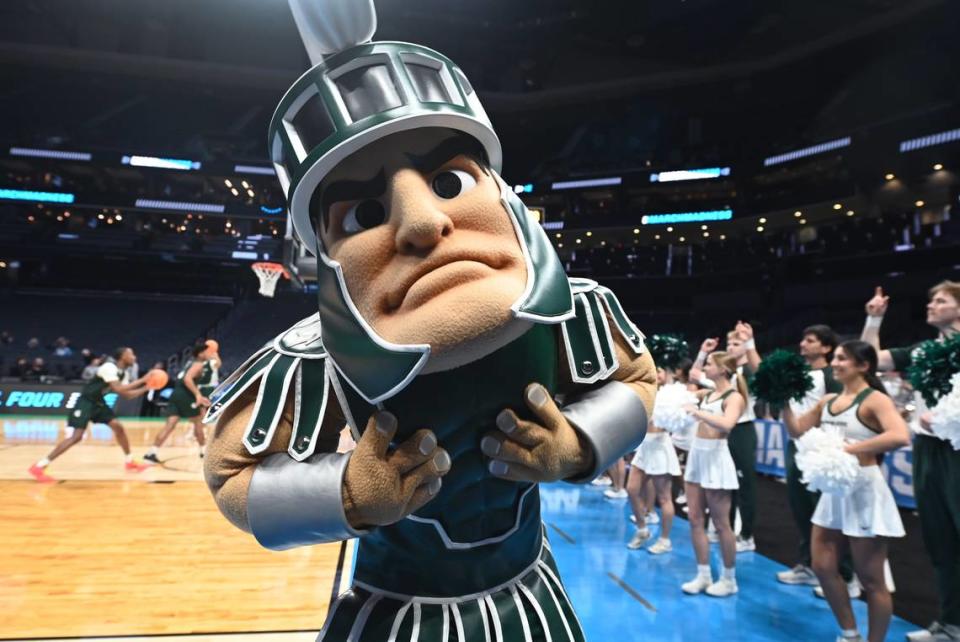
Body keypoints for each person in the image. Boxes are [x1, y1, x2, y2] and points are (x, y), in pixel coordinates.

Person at [201, 3, 657, 637]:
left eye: (447, 182)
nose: (422, 222)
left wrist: (578, 444)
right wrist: (347, 492)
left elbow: (635, 382)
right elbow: (231, 475)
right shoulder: (308, 360)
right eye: (362, 214)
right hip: (395, 611)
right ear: (327, 257)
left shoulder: (577, 308)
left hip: (532, 594)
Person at [782, 341, 910, 642]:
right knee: (822, 566)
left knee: (871, 579)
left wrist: (848, 449)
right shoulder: (827, 400)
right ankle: (850, 633)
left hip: (865, 488)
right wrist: (783, 400)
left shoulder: (875, 399)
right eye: (835, 358)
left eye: (843, 359)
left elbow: (900, 435)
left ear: (864, 366)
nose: (836, 363)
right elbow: (797, 430)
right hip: (834, 491)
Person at [861, 282, 960, 642]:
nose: (931, 305)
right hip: (928, 449)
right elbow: (870, 361)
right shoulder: (922, 350)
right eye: (931, 298)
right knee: (940, 538)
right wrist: (875, 319)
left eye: (941, 300)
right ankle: (951, 623)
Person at [773, 325, 858, 592]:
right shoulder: (798, 372)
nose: (803, 344)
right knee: (802, 510)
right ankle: (809, 564)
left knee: (828, 514)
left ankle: (844, 572)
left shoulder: (830, 376)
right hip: (796, 444)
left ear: (826, 347)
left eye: (810, 340)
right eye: (803, 338)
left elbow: (838, 410)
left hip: (822, 450)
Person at [27, 347, 152, 482]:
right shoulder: (109, 367)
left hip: (98, 403)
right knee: (77, 437)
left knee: (118, 427)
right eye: (131, 354)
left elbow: (126, 395)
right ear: (122, 357)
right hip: (86, 402)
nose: (134, 357)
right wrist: (143, 380)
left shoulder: (124, 374)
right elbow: (118, 388)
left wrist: (147, 388)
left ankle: (130, 461)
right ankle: (40, 466)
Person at [680, 351, 746, 597]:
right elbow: (685, 392)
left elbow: (727, 424)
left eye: (709, 364)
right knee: (695, 519)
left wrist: (696, 412)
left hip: (717, 458)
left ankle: (729, 579)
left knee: (721, 524)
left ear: (722, 368)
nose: (705, 367)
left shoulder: (734, 397)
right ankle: (703, 574)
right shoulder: (707, 394)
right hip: (697, 455)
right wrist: (699, 355)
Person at [691, 325, 759, 552]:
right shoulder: (720, 383)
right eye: (729, 343)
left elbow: (759, 369)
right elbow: (694, 376)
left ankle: (746, 534)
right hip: (716, 433)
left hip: (741, 430)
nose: (731, 347)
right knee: (722, 483)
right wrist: (703, 352)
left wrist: (750, 343)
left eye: (736, 344)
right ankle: (722, 525)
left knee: (744, 483)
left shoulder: (748, 373)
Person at [626, 366, 681, 553]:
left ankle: (665, 540)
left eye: (661, 371)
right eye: (655, 371)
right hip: (644, 446)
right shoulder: (647, 391)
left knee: (664, 498)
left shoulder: (672, 394)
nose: (657, 375)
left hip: (660, 446)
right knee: (632, 489)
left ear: (669, 374)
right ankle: (642, 530)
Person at [143, 342, 215, 463]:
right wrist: (198, 395)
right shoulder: (198, 365)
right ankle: (203, 452)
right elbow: (187, 379)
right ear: (201, 353)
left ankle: (151, 453)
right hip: (186, 396)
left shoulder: (189, 363)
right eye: (207, 352)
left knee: (170, 425)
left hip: (176, 394)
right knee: (198, 423)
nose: (209, 354)